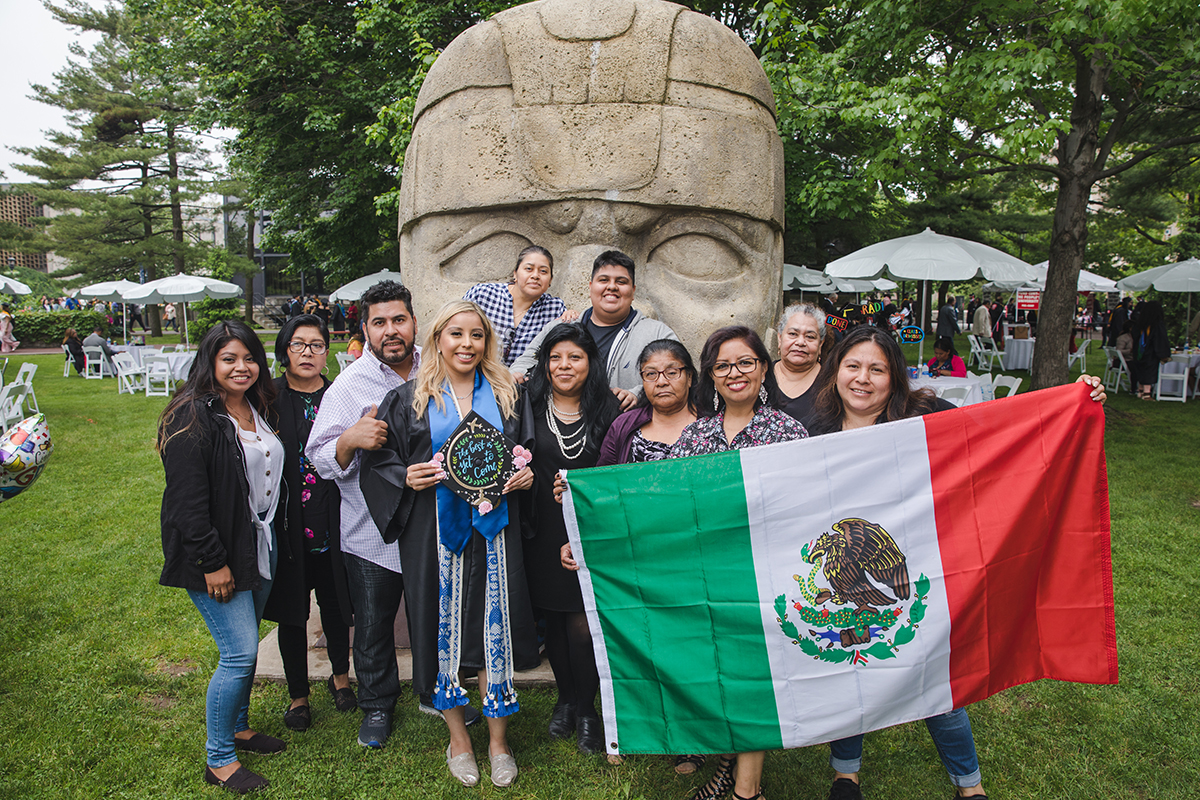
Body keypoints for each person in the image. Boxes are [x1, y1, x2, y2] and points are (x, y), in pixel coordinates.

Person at [802, 325, 1106, 800]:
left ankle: (970, 786)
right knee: (853, 668)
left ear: (894, 376)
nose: (863, 379)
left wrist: (1073, 400)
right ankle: (846, 774)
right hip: (853, 578)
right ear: (835, 371)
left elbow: (999, 429)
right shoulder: (815, 429)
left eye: (877, 369)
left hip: (923, 569)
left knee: (934, 681)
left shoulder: (925, 416)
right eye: (853, 366)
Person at [360, 300, 539, 788]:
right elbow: (379, 462)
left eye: (476, 335)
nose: (466, 343)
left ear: (487, 342)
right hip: (434, 535)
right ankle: (459, 739)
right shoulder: (408, 398)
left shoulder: (507, 395)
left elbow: (526, 453)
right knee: (442, 630)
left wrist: (525, 476)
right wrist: (405, 476)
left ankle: (498, 741)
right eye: (456, 333)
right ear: (437, 338)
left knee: (493, 629)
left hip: (495, 533)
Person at [666, 326, 808, 800]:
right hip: (709, 576)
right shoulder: (695, 434)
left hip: (764, 575)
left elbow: (802, 507)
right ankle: (728, 764)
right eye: (723, 365)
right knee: (722, 674)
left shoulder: (787, 432)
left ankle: (747, 790)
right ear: (710, 375)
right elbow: (667, 502)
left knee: (754, 678)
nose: (735, 373)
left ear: (764, 368)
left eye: (745, 362)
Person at [307, 280, 437, 750]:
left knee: (433, 615)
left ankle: (434, 691)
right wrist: (349, 440)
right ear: (364, 329)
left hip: (430, 527)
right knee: (373, 625)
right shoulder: (349, 385)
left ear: (414, 322)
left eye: (398, 320)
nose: (390, 331)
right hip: (370, 533)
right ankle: (377, 705)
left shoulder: (437, 368)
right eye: (379, 323)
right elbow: (319, 456)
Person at [156, 320, 285, 795]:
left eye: (249, 358)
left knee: (246, 642)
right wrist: (213, 562)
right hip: (217, 552)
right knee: (239, 653)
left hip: (258, 544)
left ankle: (239, 727)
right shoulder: (190, 416)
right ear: (209, 362)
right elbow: (186, 505)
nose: (241, 367)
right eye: (229, 358)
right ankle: (219, 759)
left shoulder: (256, 405)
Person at [521, 323, 621, 754]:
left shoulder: (610, 408)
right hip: (541, 526)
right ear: (545, 363)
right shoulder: (528, 404)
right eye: (556, 357)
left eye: (575, 357)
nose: (565, 366)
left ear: (590, 363)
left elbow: (619, 468)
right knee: (556, 622)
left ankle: (587, 710)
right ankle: (565, 699)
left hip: (592, 527)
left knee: (583, 624)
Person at [263, 315, 356, 733]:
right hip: (287, 524)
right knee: (292, 612)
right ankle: (298, 695)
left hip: (333, 517)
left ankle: (341, 678)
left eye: (316, 345)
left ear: (326, 353)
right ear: (284, 351)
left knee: (335, 605)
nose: (307, 353)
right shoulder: (266, 398)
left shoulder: (339, 395)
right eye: (298, 345)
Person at [511, 250, 679, 407]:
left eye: (621, 281)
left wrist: (638, 394)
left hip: (625, 423)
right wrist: (515, 376)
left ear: (633, 290)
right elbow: (525, 361)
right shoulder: (561, 326)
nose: (612, 286)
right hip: (559, 421)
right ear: (591, 287)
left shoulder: (657, 333)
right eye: (603, 280)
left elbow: (677, 376)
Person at [463, 245, 568, 367]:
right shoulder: (483, 294)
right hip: (474, 372)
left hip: (521, 377)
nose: (535, 276)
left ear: (550, 280)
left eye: (543, 271)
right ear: (515, 274)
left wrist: (571, 317)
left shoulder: (555, 309)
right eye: (529, 269)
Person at [763, 304, 824, 421]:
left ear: (820, 343)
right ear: (780, 338)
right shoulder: (760, 376)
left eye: (810, 336)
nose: (800, 342)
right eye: (793, 334)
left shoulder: (832, 383)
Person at [1130, 300, 1171, 399]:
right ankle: (1146, 393)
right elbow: (1160, 339)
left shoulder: (1140, 323)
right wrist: (1164, 354)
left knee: (1140, 369)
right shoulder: (1157, 324)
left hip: (1139, 351)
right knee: (1149, 370)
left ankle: (1140, 390)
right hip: (1151, 352)